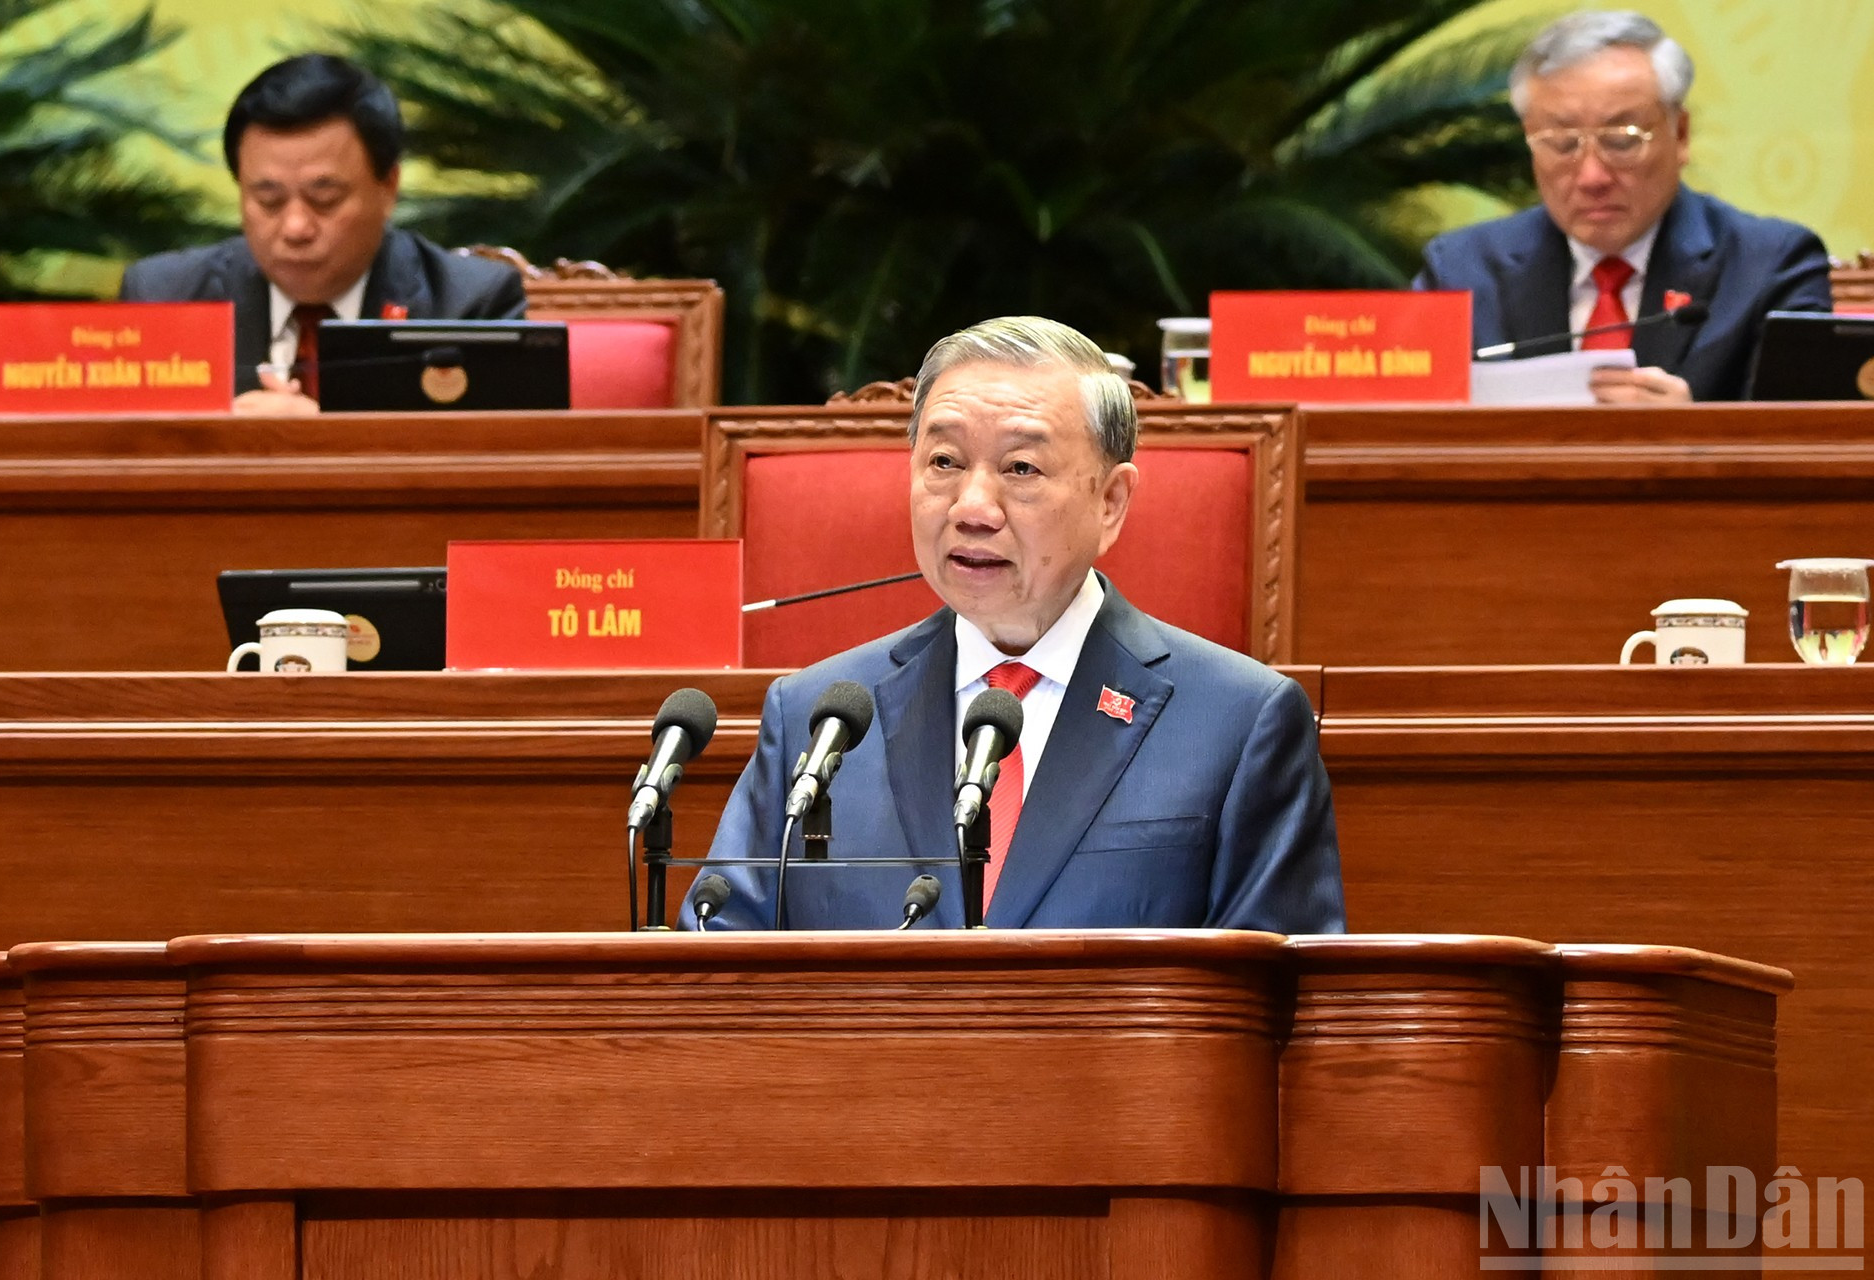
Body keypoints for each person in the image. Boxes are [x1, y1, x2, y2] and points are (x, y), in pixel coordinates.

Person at [681, 316, 1345, 932]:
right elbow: (714, 968)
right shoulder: (815, 717)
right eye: (944, 463)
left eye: (1021, 468)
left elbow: (1277, 1009)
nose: (972, 507)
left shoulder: (1239, 722)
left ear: (1111, 503)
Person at [1416, 11, 1831, 404]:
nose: (1592, 177)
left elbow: (1805, 445)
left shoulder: (1771, 267)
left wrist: (1696, 435)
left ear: (1680, 134)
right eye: (1562, 144)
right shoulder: (1461, 272)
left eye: (1623, 140)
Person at [119, 54, 526, 415]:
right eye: (269, 200)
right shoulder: (165, 299)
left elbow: (490, 471)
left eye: (325, 198)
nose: (296, 228)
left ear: (388, 187)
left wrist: (320, 438)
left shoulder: (468, 306)